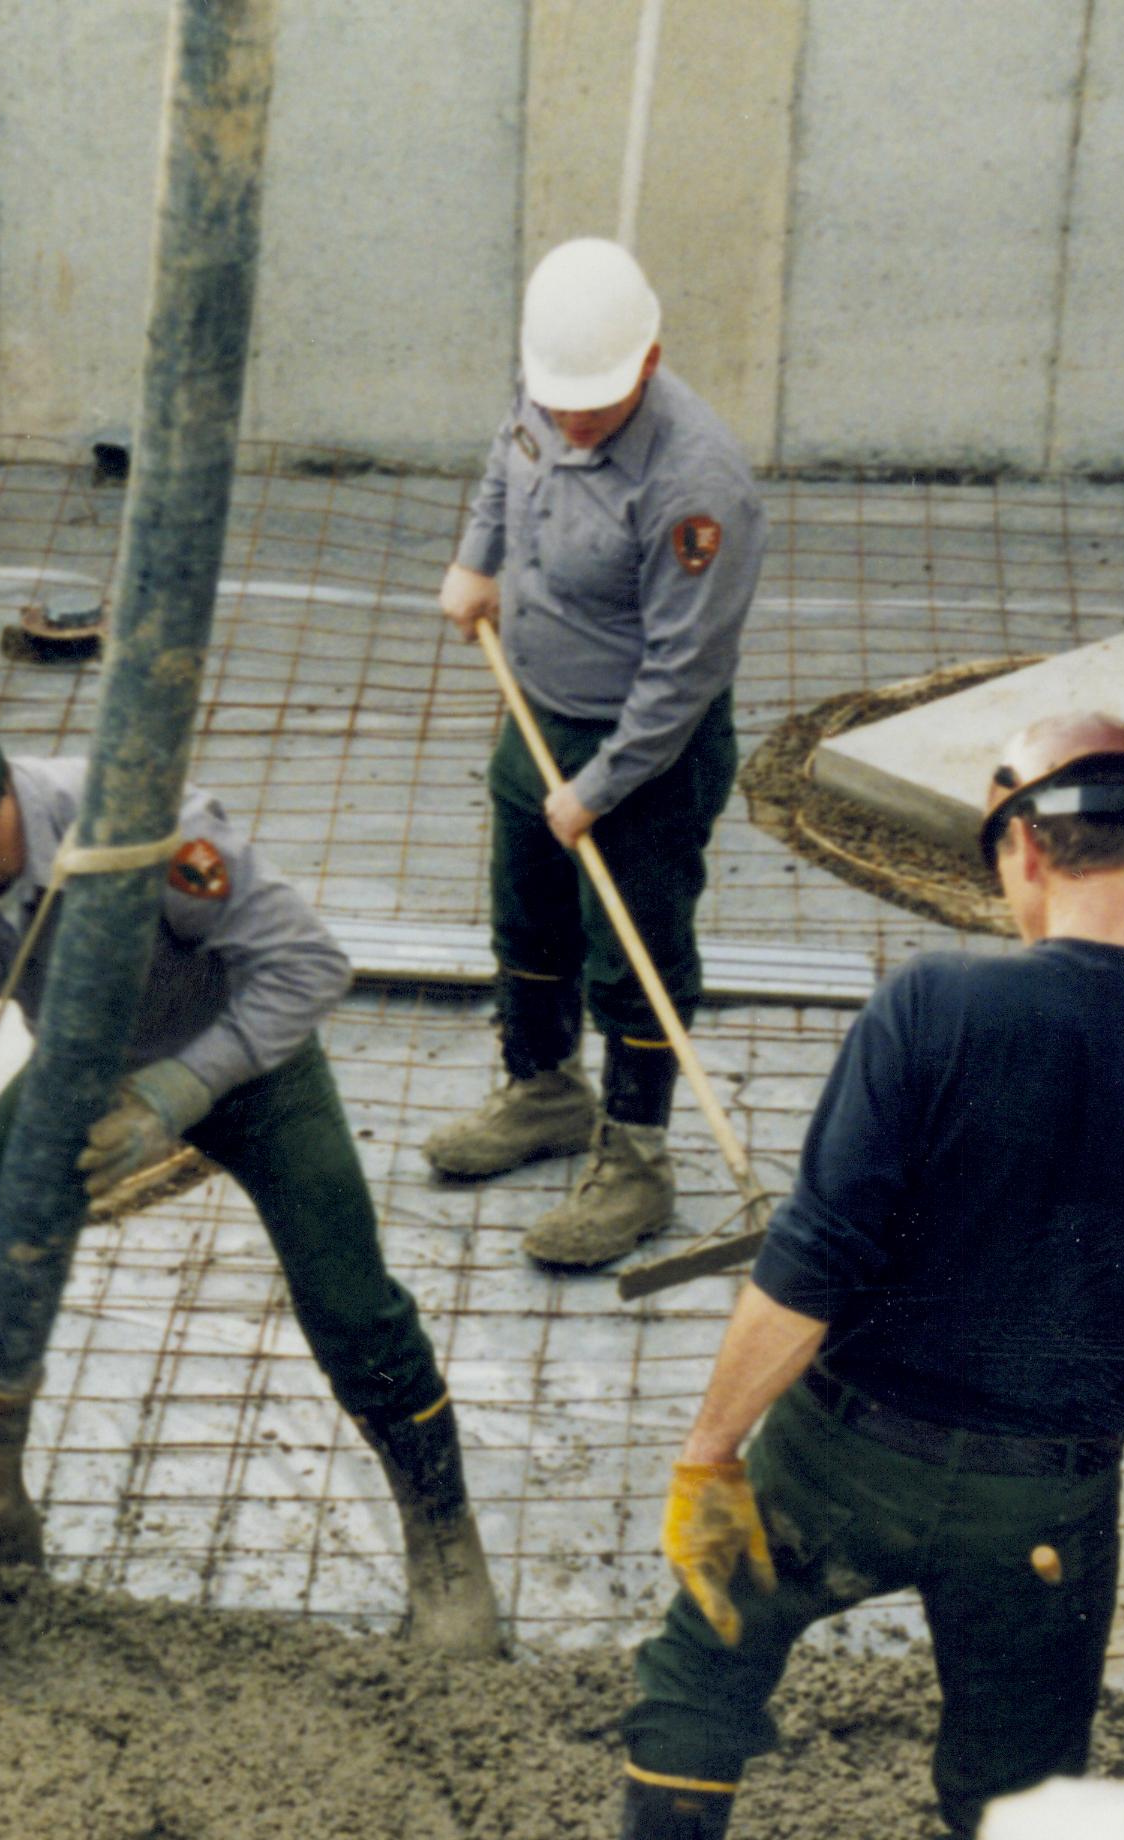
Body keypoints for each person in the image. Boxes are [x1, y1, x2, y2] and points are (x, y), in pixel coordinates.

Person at [530, 715, 1124, 1840]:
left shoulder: (934, 1010)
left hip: (842, 1453)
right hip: (1043, 1511)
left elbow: (805, 1272)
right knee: (1010, 1796)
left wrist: (709, 1455)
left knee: (708, 1653)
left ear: (1022, 847)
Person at [0, 665, 501, 1656]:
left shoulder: (146, 831)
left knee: (351, 1303)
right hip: (86, 1070)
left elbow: (307, 966)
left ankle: (444, 1540)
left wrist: (180, 1092)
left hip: (249, 1065)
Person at [428, 237, 764, 1270]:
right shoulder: (550, 386)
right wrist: (474, 561)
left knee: (635, 959)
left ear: (649, 361)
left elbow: (681, 675)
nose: (570, 422)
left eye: (594, 408)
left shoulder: (696, 488)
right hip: (536, 709)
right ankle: (542, 1091)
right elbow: (505, 459)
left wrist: (599, 786)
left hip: (643, 752)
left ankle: (635, 1161)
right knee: (524, 909)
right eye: (556, 401)